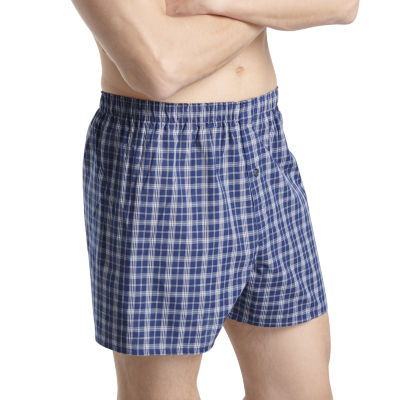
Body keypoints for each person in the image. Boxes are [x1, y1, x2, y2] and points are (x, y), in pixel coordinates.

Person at [72, 0, 359, 399]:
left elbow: (342, 5)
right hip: (163, 156)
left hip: (262, 140)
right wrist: (272, 10)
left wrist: (213, 2)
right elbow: (160, 68)